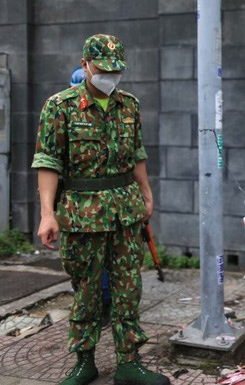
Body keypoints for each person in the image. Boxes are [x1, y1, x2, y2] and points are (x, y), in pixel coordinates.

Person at [33, 34, 170, 385]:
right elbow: (48, 162)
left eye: (116, 70)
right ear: (85, 66)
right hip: (82, 213)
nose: (110, 76)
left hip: (125, 210)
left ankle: (128, 363)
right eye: (102, 69)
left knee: (128, 286)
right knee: (87, 291)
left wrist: (146, 192)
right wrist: (47, 214)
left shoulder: (129, 105)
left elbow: (137, 154)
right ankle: (84, 362)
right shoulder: (60, 106)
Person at [67, 67, 113, 329]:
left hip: (104, 203)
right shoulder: (62, 110)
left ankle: (102, 305)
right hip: (78, 204)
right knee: (86, 260)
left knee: (99, 260)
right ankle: (93, 306)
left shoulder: (117, 109)